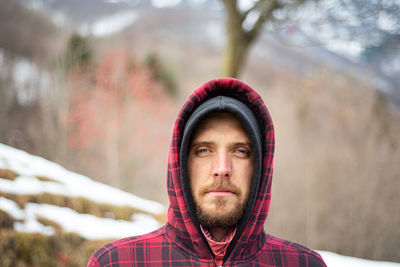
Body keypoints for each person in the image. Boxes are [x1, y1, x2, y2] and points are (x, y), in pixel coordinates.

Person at [87, 78, 327, 266]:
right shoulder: (116, 262)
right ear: (180, 164)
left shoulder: (304, 264)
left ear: (260, 168)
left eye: (240, 151)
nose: (222, 169)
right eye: (203, 150)